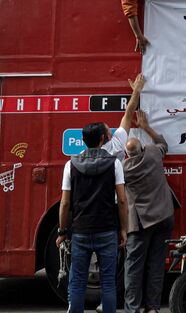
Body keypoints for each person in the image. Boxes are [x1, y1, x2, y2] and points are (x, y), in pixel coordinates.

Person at [57, 122, 129, 313]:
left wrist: (62, 231)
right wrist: (123, 229)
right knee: (108, 282)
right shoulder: (114, 163)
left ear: (83, 141)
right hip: (107, 229)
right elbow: (122, 200)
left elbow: (65, 203)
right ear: (103, 139)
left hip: (80, 230)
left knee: (78, 281)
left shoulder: (70, 164)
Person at [123, 110, 175, 313]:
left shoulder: (124, 168)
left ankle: (132, 309)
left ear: (127, 155)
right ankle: (152, 308)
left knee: (134, 268)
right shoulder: (153, 154)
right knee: (156, 264)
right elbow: (163, 144)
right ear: (142, 148)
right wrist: (146, 127)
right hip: (164, 217)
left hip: (141, 223)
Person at [102, 74, 146, 162]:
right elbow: (128, 114)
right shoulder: (116, 145)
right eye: (108, 130)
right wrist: (136, 91)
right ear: (104, 137)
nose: (111, 130)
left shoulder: (78, 159)